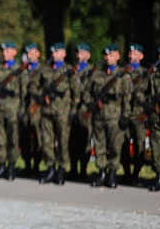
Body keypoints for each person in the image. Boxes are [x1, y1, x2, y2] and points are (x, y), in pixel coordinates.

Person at [83, 44, 131, 188]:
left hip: (115, 117)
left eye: (111, 55)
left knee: (115, 147)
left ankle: (112, 173)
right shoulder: (97, 74)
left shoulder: (122, 76)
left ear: (117, 56)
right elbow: (86, 91)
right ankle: (102, 171)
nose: (107, 58)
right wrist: (90, 103)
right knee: (99, 146)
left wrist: (125, 116)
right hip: (98, 116)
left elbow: (127, 98)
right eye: (106, 55)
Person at [37, 43, 74, 185]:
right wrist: (41, 96)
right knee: (47, 142)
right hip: (47, 111)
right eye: (53, 51)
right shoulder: (45, 69)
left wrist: (73, 111)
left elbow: (76, 92)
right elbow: (35, 86)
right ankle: (50, 168)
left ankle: (62, 169)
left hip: (62, 112)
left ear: (64, 54)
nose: (54, 54)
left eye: (57, 51)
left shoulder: (69, 70)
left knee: (63, 142)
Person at [0, 41, 25, 180]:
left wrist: (22, 109)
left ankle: (11, 166)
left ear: (15, 52)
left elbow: (23, 92)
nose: (5, 53)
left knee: (12, 139)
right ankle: (1, 164)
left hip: (12, 109)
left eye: (8, 50)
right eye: (3, 50)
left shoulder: (19, 70)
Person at [122, 43, 148, 185]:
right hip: (124, 114)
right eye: (131, 53)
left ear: (141, 56)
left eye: (136, 54)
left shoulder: (146, 73)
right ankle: (126, 174)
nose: (132, 56)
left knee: (139, 144)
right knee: (123, 144)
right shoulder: (123, 72)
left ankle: (136, 175)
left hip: (139, 114)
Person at [68, 43, 95, 180]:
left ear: (88, 55)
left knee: (85, 140)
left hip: (85, 111)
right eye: (78, 53)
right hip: (72, 110)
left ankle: (83, 171)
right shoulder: (72, 70)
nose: (79, 56)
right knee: (72, 140)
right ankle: (73, 169)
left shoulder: (93, 71)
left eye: (83, 53)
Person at [146, 44, 160, 192]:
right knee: (156, 148)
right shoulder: (153, 75)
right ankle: (159, 175)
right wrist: (147, 104)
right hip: (156, 117)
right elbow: (142, 91)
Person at [21, 43, 43, 175]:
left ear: (38, 54)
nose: (29, 55)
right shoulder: (23, 70)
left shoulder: (42, 70)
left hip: (37, 110)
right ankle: (27, 165)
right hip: (24, 109)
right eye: (28, 52)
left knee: (37, 139)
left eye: (32, 52)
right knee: (24, 139)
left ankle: (37, 166)